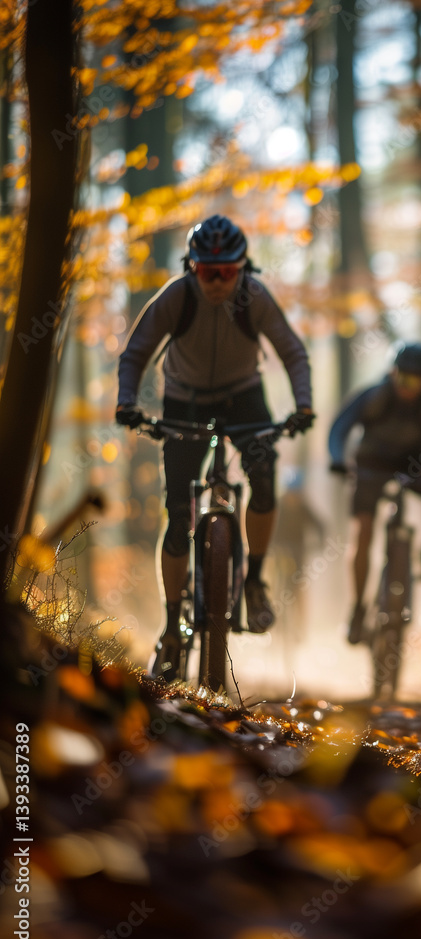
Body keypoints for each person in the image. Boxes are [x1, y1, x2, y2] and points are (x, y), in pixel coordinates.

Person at [115, 215, 315, 676]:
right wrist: (128, 402)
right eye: (209, 272)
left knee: (263, 481)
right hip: (182, 401)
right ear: (193, 267)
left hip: (244, 396)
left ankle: (255, 580)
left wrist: (303, 406)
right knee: (178, 513)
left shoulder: (255, 298)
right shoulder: (175, 297)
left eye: (229, 271)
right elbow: (137, 352)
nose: (219, 282)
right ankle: (170, 626)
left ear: (244, 269)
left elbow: (292, 351)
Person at [328, 341, 421, 643]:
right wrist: (337, 459)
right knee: (364, 531)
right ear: (392, 373)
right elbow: (339, 429)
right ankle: (358, 607)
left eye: (418, 379)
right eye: (404, 378)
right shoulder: (372, 397)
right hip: (371, 463)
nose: (410, 386)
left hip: (414, 462)